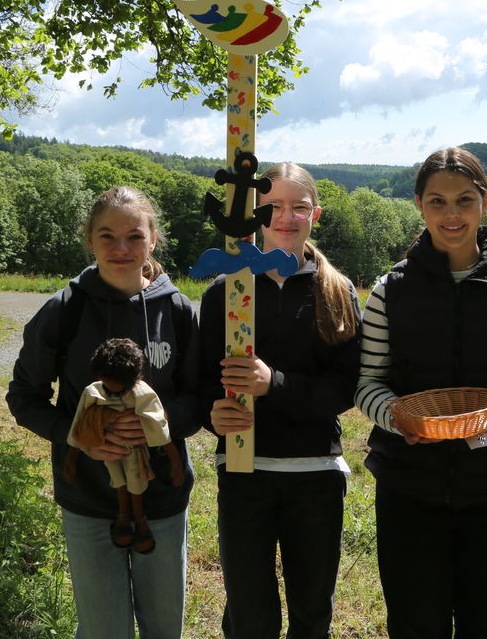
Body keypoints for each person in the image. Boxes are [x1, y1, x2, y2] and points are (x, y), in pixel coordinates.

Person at [355, 146, 487, 639]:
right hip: (408, 486)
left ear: (485, 202)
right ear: (419, 205)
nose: (452, 214)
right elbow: (367, 383)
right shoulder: (390, 290)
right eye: (437, 202)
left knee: (485, 620)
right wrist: (396, 417)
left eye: (464, 200)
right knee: (415, 622)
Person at [7, 186, 201, 639]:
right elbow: (24, 397)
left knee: (163, 629)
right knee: (103, 631)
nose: (120, 248)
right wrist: (78, 436)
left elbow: (199, 398)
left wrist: (158, 425)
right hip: (88, 499)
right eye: (107, 236)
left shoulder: (175, 310)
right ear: (90, 239)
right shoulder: (65, 310)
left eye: (134, 236)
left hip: (163, 498)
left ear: (153, 240)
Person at [198, 162, 361, 639]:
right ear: (254, 214)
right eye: (272, 207)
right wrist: (212, 414)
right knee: (249, 614)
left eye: (299, 207)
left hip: (314, 474)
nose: (286, 218)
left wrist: (276, 383)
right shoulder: (226, 292)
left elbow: (344, 388)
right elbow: (203, 382)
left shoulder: (336, 290)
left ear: (316, 214)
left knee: (311, 610)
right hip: (244, 472)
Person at [67, 337, 183, 554]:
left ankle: (139, 519)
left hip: (135, 451)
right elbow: (80, 423)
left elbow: (158, 425)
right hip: (106, 448)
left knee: (135, 480)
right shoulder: (94, 392)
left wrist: (175, 462)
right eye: (107, 386)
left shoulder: (142, 394)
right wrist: (73, 456)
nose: (111, 392)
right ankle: (123, 516)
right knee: (118, 481)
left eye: (118, 390)